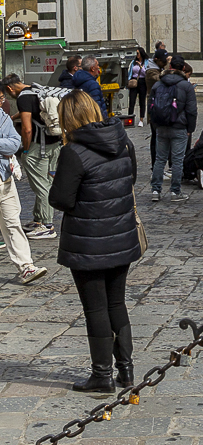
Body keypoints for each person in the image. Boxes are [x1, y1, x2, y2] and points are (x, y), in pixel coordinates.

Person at [51, 90, 138, 389]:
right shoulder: (123, 141)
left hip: (88, 241)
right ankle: (126, 370)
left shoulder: (73, 152)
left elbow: (61, 199)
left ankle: (102, 375)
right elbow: (130, 180)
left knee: (96, 308)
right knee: (117, 303)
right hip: (121, 235)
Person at [0, 98, 46, 285]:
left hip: (5, 178)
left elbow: (14, 144)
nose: (1, 102)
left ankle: (26, 266)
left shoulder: (2, 117)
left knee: (13, 223)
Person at [11, 69, 60, 240]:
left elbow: (27, 128)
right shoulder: (36, 89)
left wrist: (25, 150)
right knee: (47, 182)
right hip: (55, 144)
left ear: (10, 89)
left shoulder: (22, 98)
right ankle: (39, 219)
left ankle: (47, 225)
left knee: (42, 186)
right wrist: (12, 117)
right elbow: (32, 113)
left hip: (39, 147)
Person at [146, 55, 196, 201]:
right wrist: (190, 129)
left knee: (160, 159)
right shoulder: (186, 86)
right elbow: (191, 110)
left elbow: (151, 107)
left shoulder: (158, 84)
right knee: (177, 160)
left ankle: (155, 191)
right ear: (184, 68)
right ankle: (175, 191)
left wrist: (155, 124)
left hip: (161, 126)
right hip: (179, 126)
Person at [125, 50, 150, 126]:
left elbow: (146, 73)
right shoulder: (133, 62)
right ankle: (130, 117)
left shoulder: (146, 62)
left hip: (142, 81)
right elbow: (130, 72)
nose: (137, 55)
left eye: (138, 53)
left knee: (142, 101)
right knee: (132, 101)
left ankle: (141, 119)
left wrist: (141, 66)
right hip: (134, 81)